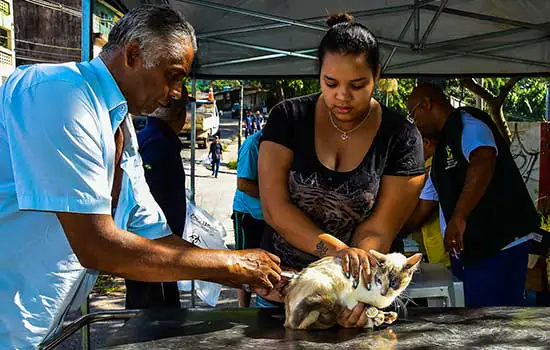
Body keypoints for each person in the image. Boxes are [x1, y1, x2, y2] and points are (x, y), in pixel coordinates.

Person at [0, 6, 281, 348]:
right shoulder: (59, 92)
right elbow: (96, 246)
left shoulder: (120, 125)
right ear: (133, 54)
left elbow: (157, 236)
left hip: (32, 326)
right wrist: (230, 265)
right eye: (172, 75)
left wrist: (251, 274)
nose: (176, 92)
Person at [258, 13, 425, 327]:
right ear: (319, 73)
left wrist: (350, 285)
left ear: (376, 74)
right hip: (280, 288)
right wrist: (337, 252)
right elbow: (274, 208)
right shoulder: (288, 118)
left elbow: (381, 229)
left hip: (358, 293)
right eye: (330, 83)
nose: (342, 96)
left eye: (358, 85)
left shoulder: (401, 136)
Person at [406, 83, 540, 307]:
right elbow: (424, 206)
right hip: (470, 252)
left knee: (493, 322)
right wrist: (392, 232)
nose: (415, 125)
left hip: (500, 245)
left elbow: (483, 159)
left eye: (413, 115)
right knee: (473, 322)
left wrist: (458, 217)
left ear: (426, 105)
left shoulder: (467, 123)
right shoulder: (440, 157)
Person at [125, 92, 192, 309]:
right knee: (154, 314)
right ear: (181, 115)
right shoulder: (159, 143)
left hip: (157, 245)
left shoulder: (151, 137)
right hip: (154, 245)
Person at [232, 129, 266, 307]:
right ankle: (242, 308)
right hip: (248, 213)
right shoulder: (254, 143)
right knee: (244, 263)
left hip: (271, 215)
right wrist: (274, 198)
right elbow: (243, 183)